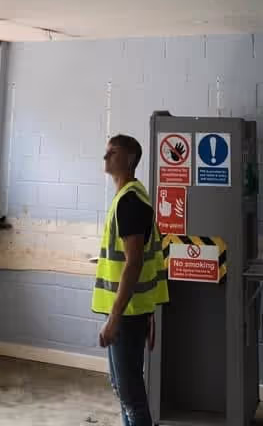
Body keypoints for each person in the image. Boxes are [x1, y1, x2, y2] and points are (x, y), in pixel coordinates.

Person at [92, 134, 169, 426]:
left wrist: (114, 318)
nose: (106, 157)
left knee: (131, 396)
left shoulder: (130, 202)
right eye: (106, 151)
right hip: (133, 311)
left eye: (113, 152)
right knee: (124, 392)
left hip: (127, 313)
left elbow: (134, 263)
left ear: (130, 159)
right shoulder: (128, 197)